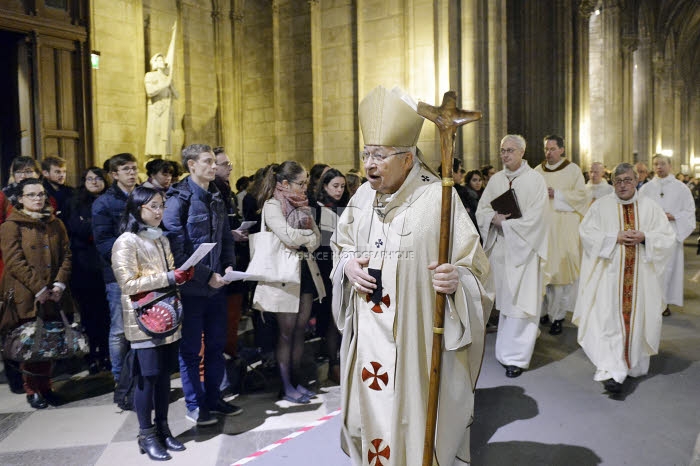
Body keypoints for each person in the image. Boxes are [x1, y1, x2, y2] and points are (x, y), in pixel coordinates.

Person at [332, 86, 492, 466]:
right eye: (366, 155)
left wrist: (457, 281)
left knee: (415, 419)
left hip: (417, 340)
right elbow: (342, 246)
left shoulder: (440, 198)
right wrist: (348, 265)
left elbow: (475, 268)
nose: (370, 164)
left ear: (407, 159)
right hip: (368, 338)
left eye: (380, 156)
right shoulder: (360, 200)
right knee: (366, 421)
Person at [573, 163, 675, 393]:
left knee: (636, 322)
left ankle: (632, 364)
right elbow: (586, 233)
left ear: (636, 180)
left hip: (641, 280)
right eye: (618, 181)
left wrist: (645, 237)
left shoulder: (650, 207)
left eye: (628, 180)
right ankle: (611, 371)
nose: (623, 185)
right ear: (613, 183)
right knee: (609, 321)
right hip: (609, 279)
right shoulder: (600, 207)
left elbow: (667, 238)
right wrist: (614, 237)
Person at [112, 186, 192, 460]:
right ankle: (146, 434)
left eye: (161, 206)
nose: (159, 212)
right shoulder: (126, 241)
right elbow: (128, 283)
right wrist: (169, 278)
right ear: (137, 209)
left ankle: (163, 429)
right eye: (153, 206)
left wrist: (181, 275)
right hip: (142, 318)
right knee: (147, 378)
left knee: (163, 380)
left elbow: (169, 272)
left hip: (167, 315)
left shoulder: (160, 238)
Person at [162, 143, 241, 426]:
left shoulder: (216, 194)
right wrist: (207, 275)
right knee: (192, 349)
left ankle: (214, 398)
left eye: (214, 162)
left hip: (218, 285)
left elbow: (225, 237)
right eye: (207, 162)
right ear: (191, 165)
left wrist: (229, 265)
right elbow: (176, 249)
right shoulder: (178, 199)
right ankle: (195, 404)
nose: (213, 166)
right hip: (192, 288)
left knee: (217, 344)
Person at [476, 134, 549, 378]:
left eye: (510, 150)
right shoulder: (496, 179)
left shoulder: (535, 180)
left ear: (521, 152)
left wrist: (507, 225)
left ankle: (516, 357)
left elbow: (537, 219)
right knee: (506, 302)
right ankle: (508, 349)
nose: (505, 154)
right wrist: (492, 219)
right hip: (501, 250)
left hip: (525, 251)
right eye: (502, 150)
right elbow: (482, 209)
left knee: (521, 304)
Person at [254, 161, 325, 403]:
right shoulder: (272, 206)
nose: (306, 188)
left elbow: (316, 238)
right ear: (284, 183)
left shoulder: (303, 206)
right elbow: (288, 237)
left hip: (304, 272)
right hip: (284, 276)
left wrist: (302, 238)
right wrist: (303, 238)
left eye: (306, 182)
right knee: (285, 334)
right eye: (301, 183)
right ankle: (285, 385)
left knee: (299, 332)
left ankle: (297, 380)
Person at [0, 179, 73, 409]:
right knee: (31, 343)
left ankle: (46, 387)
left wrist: (59, 284)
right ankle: (32, 390)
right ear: (20, 199)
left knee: (49, 341)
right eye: (31, 195)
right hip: (26, 293)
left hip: (53, 292)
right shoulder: (11, 225)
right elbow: (14, 261)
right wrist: (39, 288)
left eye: (41, 194)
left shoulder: (55, 223)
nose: (37, 199)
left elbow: (66, 256)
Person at [535, 135, 589, 335]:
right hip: (542, 230)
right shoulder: (536, 171)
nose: (548, 152)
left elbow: (582, 197)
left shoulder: (573, 170)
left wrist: (556, 194)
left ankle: (557, 317)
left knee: (560, 276)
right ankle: (542, 312)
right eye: (546, 148)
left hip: (564, 230)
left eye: (552, 148)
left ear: (562, 150)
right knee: (541, 275)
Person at [92, 153, 139, 382]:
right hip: (118, 274)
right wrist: (131, 250)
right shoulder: (104, 202)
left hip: (145, 270)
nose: (131, 173)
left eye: (134, 168)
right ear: (114, 174)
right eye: (126, 169)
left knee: (142, 324)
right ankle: (120, 378)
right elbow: (103, 242)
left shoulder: (142, 195)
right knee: (120, 328)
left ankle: (140, 374)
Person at [65, 167, 111, 374]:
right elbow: (76, 228)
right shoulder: (75, 202)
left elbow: (115, 228)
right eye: (89, 178)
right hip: (84, 267)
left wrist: (92, 226)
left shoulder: (110, 199)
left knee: (107, 314)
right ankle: (92, 355)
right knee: (89, 315)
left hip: (107, 265)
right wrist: (98, 227)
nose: (93, 182)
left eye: (98, 178)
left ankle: (108, 354)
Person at [639, 154, 696, 316]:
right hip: (652, 235)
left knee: (669, 270)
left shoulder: (681, 188)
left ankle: (664, 303)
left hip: (672, 234)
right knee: (652, 269)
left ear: (670, 166)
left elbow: (689, 211)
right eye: (656, 164)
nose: (659, 167)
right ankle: (651, 301)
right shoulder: (646, 189)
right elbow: (639, 211)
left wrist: (674, 216)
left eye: (662, 164)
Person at [314, 168, 348, 383]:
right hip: (325, 267)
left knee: (343, 316)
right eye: (335, 186)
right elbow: (320, 244)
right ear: (324, 186)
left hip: (345, 267)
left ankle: (343, 360)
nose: (339, 190)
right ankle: (333, 363)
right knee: (330, 318)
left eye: (342, 186)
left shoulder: (346, 208)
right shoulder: (316, 209)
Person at [145, 22, 178, 157]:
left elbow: (176, 95)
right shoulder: (150, 75)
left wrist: (170, 85)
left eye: (162, 59)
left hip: (166, 110)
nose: (161, 61)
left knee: (165, 137)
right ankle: (154, 157)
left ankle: (165, 157)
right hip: (155, 109)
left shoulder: (167, 78)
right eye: (159, 59)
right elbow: (150, 91)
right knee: (155, 135)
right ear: (154, 62)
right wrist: (165, 84)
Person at [41, 155, 74, 222]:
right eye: (57, 172)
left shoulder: (71, 191)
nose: (62, 175)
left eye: (64, 171)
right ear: (45, 173)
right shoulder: (40, 192)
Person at [463, 170, 484, 237]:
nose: (478, 183)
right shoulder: (466, 195)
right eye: (474, 180)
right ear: (469, 181)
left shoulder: (484, 194)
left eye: (480, 180)